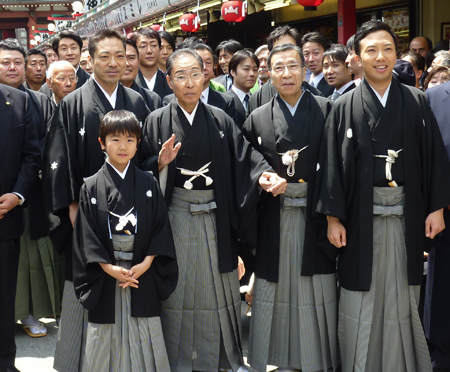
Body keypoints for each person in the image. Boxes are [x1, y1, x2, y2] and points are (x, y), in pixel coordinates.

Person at [141, 48, 287, 372]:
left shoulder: (220, 120)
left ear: (205, 76)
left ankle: (222, 358)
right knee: (178, 291)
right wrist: (158, 163)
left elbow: (245, 156)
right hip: (176, 214)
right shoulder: (156, 120)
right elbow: (139, 169)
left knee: (216, 289)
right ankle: (178, 360)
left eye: (195, 74)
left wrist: (262, 174)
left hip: (214, 216)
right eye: (180, 76)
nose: (189, 82)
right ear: (169, 81)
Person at [317, 20, 450, 372]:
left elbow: (434, 157)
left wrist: (436, 208)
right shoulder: (343, 106)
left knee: (403, 296)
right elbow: (331, 164)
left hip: (406, 214)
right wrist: (333, 217)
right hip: (360, 217)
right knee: (360, 296)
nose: (380, 57)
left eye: (388, 49)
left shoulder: (417, 102)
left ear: (397, 54)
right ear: (356, 58)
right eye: (371, 50)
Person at [43, 28, 151, 372]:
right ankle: (81, 359)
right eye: (104, 56)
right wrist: (71, 205)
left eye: (120, 55)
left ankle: (129, 358)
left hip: (132, 207)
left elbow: (144, 157)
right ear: (89, 60)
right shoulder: (73, 102)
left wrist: (159, 163)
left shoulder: (137, 101)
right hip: (87, 211)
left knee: (128, 277)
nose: (114, 63)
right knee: (87, 278)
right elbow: (58, 159)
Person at [241, 43, 338, 372]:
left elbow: (340, 166)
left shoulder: (327, 110)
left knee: (314, 287)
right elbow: (245, 162)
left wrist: (334, 212)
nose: (286, 74)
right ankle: (277, 358)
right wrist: (263, 176)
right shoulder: (257, 118)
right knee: (275, 284)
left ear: (306, 68)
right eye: (278, 67)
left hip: (316, 215)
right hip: (274, 216)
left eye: (292, 66)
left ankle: (314, 359)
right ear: (269, 72)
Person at [73, 110, 178, 372]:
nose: (123, 147)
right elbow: (86, 235)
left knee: (145, 330)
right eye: (115, 139)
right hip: (106, 271)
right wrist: (108, 268)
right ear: (101, 143)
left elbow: (160, 227)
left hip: (141, 267)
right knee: (105, 335)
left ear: (138, 143)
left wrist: (146, 262)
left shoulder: (148, 181)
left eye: (130, 140)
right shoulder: (91, 185)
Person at [0, 39, 58, 339]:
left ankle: (26, 314)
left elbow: (39, 150)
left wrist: (19, 191)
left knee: (24, 264)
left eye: (17, 62)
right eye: (5, 62)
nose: (13, 67)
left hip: (25, 194)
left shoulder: (36, 101)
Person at [0, 83, 40, 372]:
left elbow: (31, 155)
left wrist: (17, 195)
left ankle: (5, 362)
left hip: (6, 220)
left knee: (3, 301)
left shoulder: (19, 100)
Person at [424, 79, 450, 372]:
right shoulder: (432, 97)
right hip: (445, 216)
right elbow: (427, 157)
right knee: (442, 294)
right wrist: (437, 204)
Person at [247, 26, 322, 115]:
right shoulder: (257, 98)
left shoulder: (317, 98)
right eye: (279, 49)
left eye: (290, 47)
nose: (285, 53)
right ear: (269, 55)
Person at [162, 43, 239, 125]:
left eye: (208, 62)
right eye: (181, 77)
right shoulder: (166, 106)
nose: (204, 67)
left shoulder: (225, 103)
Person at [40, 31, 91, 98]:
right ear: (56, 53)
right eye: (64, 48)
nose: (69, 53)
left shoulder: (90, 82)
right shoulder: (46, 89)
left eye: (73, 48)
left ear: (80, 50)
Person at [120, 39, 162, 111]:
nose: (127, 64)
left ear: (138, 61)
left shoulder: (152, 99)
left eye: (131, 58)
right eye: (120, 57)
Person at [131, 28, 173, 99]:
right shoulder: (129, 82)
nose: (149, 51)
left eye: (153, 45)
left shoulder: (170, 82)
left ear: (159, 49)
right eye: (143, 46)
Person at [227, 49, 259, 127]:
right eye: (246, 69)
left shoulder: (257, 100)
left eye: (255, 70)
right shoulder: (224, 101)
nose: (252, 74)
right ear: (233, 72)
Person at [302, 32, 333, 97]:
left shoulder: (333, 84)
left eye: (316, 53)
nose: (311, 59)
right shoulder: (302, 86)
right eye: (306, 54)